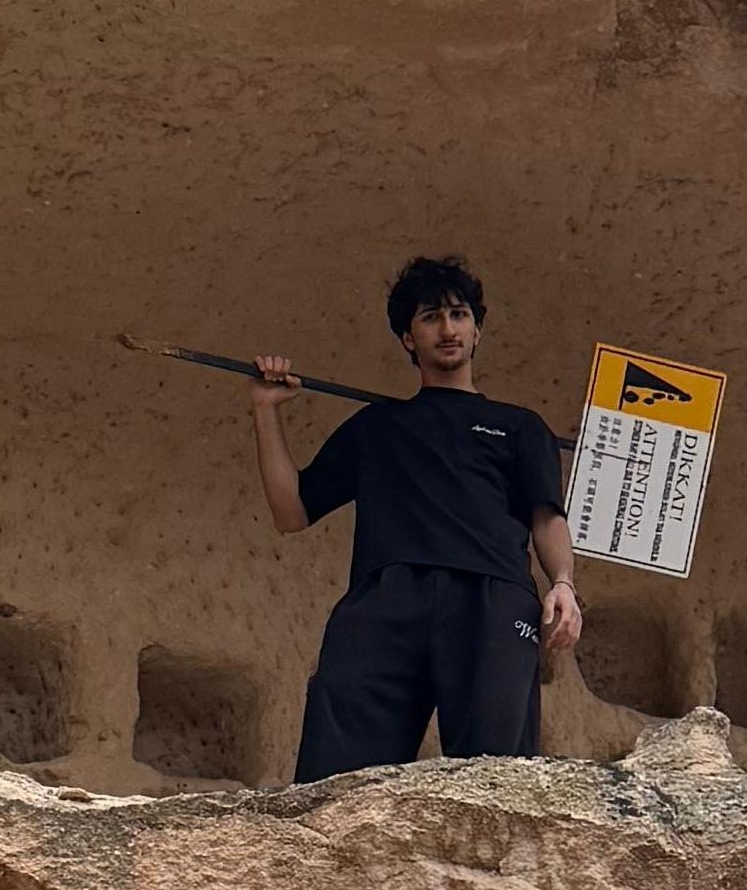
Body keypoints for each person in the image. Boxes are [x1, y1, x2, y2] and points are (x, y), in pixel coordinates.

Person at [249, 257, 585, 781]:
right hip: (387, 598)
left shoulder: (521, 427)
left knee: (495, 779)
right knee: (336, 780)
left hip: (491, 600)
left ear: (477, 330)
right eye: (430, 317)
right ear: (408, 338)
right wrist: (266, 411)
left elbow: (547, 516)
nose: (447, 329)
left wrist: (562, 583)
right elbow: (292, 511)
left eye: (459, 314)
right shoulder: (378, 427)